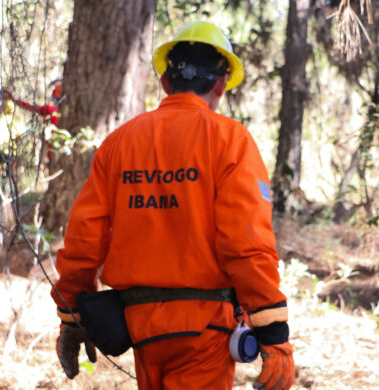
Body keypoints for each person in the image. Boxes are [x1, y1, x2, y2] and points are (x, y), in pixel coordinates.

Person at [51, 21, 295, 390]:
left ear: (166, 82)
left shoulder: (119, 143)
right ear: (221, 83)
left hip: (139, 325)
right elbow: (246, 244)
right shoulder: (230, 141)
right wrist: (275, 336)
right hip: (206, 328)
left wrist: (71, 318)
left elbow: (84, 241)